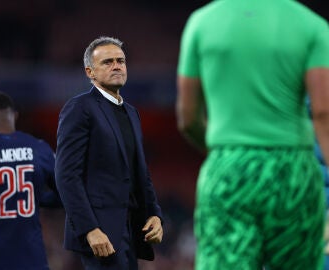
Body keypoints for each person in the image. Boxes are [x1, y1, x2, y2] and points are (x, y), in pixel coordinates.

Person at [176, 1, 329, 269]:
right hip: (293, 168)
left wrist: (224, 151)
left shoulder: (201, 22)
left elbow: (188, 119)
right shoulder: (312, 26)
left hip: (229, 165)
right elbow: (323, 113)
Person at [55, 36, 163, 270]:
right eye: (107, 62)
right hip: (100, 232)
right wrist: (89, 229)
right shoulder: (79, 108)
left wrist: (154, 214)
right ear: (90, 72)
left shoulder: (131, 113)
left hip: (131, 230)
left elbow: (140, 172)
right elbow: (66, 175)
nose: (117, 66)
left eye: (121, 61)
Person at [0, 91, 60, 269]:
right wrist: (39, 201)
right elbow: (67, 195)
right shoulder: (40, 148)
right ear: (15, 116)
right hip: (31, 257)